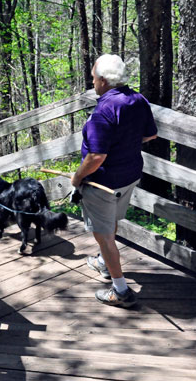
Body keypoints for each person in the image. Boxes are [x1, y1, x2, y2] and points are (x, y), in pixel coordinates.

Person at [71, 54, 157, 308]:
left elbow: (96, 156)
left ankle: (120, 290)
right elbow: (150, 135)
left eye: (94, 78)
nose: (93, 82)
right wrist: (125, 144)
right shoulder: (137, 100)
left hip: (102, 184)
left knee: (104, 236)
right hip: (129, 176)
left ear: (105, 81)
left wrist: (77, 177)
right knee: (112, 223)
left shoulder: (102, 112)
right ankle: (103, 263)